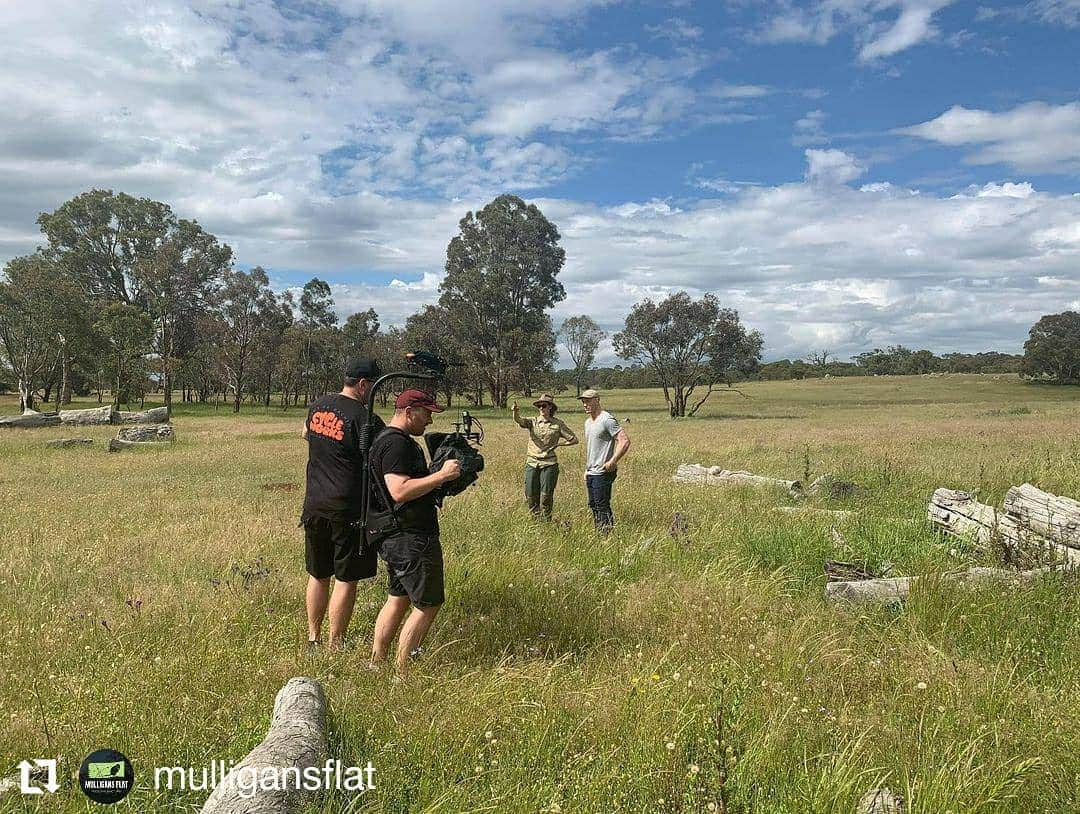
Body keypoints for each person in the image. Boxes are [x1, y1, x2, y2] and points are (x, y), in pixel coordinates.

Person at [369, 389, 461, 673]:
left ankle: (376, 662)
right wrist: (441, 476)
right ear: (409, 412)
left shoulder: (384, 440)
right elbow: (399, 490)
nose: (430, 421)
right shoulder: (398, 445)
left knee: (398, 599)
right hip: (410, 537)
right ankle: (402, 671)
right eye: (426, 414)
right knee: (428, 604)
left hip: (395, 534)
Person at [299, 358, 383, 650]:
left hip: (314, 503)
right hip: (347, 508)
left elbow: (306, 433)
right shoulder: (364, 417)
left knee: (318, 574)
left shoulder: (317, 406)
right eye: (373, 386)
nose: (375, 394)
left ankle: (314, 637)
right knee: (346, 578)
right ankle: (337, 642)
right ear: (363, 384)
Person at [511, 393, 578, 520]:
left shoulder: (557, 424)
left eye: (544, 406)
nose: (541, 408)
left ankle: (546, 521)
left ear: (550, 408)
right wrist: (515, 412)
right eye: (539, 406)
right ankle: (535, 521)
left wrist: (559, 444)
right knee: (530, 495)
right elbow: (519, 420)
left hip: (549, 464)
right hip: (532, 462)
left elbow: (574, 439)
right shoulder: (533, 421)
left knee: (546, 497)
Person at [579, 388, 630, 532]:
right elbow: (593, 448)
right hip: (591, 471)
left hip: (603, 472)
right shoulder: (588, 422)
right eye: (583, 401)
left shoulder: (606, 419)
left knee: (602, 505)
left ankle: (607, 537)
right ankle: (599, 534)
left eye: (588, 400)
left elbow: (624, 441)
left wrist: (613, 461)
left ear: (597, 400)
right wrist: (587, 470)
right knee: (593, 504)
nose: (585, 404)